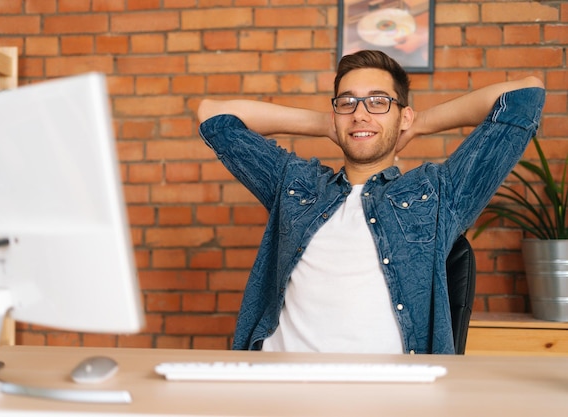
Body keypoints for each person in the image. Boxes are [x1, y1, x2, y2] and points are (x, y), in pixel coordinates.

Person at [197, 50, 545, 354]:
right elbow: (214, 117)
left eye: (378, 102)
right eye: (347, 102)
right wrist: (326, 124)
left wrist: (421, 122)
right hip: (276, 385)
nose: (361, 115)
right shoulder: (294, 184)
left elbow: (524, 95)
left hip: (387, 393)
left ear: (402, 115)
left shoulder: (439, 193)